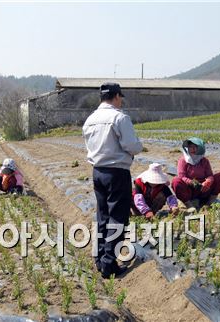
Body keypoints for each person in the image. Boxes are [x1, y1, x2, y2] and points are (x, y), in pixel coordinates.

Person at [83, 82, 143, 279]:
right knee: (118, 218)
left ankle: (100, 258)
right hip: (117, 172)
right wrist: (139, 147)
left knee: (103, 216)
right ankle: (110, 264)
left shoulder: (90, 120)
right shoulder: (119, 117)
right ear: (117, 96)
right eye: (120, 97)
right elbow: (131, 145)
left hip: (98, 171)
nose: (121, 101)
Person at [171, 137, 220, 208]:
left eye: (195, 147)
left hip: (203, 189)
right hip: (190, 190)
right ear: (187, 148)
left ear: (199, 149)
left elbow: (210, 175)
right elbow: (182, 176)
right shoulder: (183, 161)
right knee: (176, 181)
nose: (193, 149)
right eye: (191, 147)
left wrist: (209, 181)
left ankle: (210, 201)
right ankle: (188, 204)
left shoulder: (204, 160)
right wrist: (192, 183)